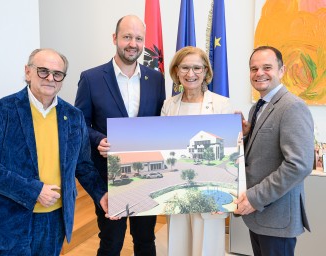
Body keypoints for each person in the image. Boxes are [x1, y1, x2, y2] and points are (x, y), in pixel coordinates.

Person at [0, 48, 110, 256]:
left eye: (57, 74)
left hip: (54, 223)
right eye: (43, 71)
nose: (50, 78)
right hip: (9, 221)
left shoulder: (73, 117)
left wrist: (101, 194)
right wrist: (34, 190)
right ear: (28, 72)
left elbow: (84, 166)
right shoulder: (1, 110)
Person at [75, 15, 165, 256]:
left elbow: (161, 122)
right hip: (109, 175)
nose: (132, 43)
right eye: (127, 37)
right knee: (111, 241)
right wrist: (97, 140)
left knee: (146, 239)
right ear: (115, 38)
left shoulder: (156, 79)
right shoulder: (91, 78)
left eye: (138, 38)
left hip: (147, 175)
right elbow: (79, 124)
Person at [234, 46, 314, 256]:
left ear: (282, 70)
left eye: (267, 67)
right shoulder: (257, 107)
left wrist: (254, 198)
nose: (259, 73)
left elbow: (298, 165)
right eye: (254, 68)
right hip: (260, 218)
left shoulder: (292, 106)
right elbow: (260, 155)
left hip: (276, 216)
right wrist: (245, 136)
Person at [161, 46, 232, 256]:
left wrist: (226, 195)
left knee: (207, 247)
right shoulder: (168, 105)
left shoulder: (221, 104)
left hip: (210, 191)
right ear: (176, 71)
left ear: (206, 72)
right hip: (177, 189)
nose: (190, 74)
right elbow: (163, 148)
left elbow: (228, 156)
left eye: (197, 68)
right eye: (184, 68)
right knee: (177, 244)